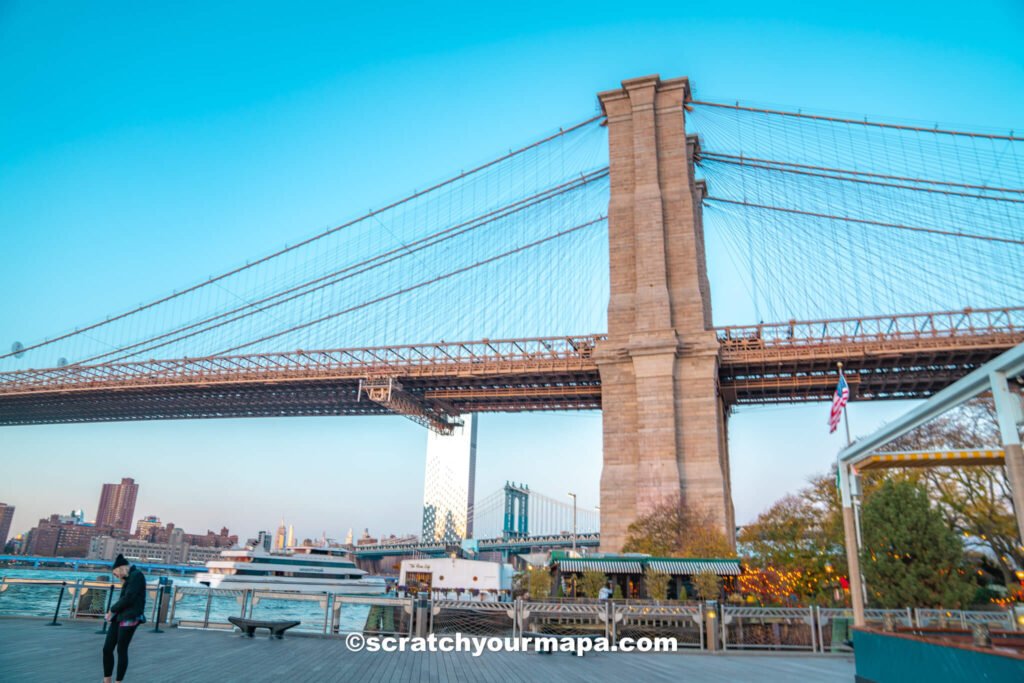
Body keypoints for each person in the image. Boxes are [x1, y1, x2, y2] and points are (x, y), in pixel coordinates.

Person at [103, 554, 146, 683]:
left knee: (121, 649)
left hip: (130, 617)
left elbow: (129, 598)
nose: (116, 577)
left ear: (121, 569)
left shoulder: (137, 576)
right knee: (107, 649)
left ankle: (118, 681)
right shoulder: (130, 577)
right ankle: (107, 680)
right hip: (120, 616)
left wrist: (111, 610)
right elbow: (125, 599)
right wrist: (114, 613)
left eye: (116, 574)